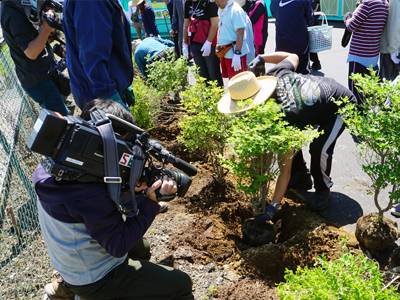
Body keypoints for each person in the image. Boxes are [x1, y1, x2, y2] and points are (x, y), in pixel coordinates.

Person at [39, 99, 193, 300]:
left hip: (72, 259)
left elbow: (99, 199)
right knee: (182, 285)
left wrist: (135, 188)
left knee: (141, 248)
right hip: (94, 278)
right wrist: (151, 201)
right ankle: (85, 294)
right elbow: (118, 245)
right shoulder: (88, 195)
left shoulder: (57, 167)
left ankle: (68, 286)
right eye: (124, 143)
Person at [218, 52, 357, 222]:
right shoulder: (273, 76)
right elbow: (293, 56)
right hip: (317, 101)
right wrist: (262, 57)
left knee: (319, 148)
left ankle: (323, 189)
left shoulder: (285, 117)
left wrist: (273, 206)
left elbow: (284, 169)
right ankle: (301, 177)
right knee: (288, 141)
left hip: (341, 105)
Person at [63, 0, 135, 111]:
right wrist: (109, 96)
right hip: (99, 93)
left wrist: (122, 80)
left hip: (104, 84)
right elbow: (92, 55)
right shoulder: (91, 2)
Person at [0, 0, 69, 116]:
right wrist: (46, 29)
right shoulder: (11, 13)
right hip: (38, 79)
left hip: (44, 71)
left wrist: (48, 14)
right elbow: (31, 52)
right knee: (62, 121)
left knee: (63, 109)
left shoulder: (19, 3)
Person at [344, 0, 389, 107]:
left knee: (355, 95)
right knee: (367, 94)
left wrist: (347, 19)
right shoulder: (385, 4)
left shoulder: (368, 4)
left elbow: (351, 26)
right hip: (372, 56)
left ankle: (355, 120)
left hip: (359, 57)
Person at [182, 0, 223, 87]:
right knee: (202, 75)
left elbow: (214, 23)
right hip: (194, 43)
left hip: (209, 44)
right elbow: (186, 25)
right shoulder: (188, 3)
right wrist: (184, 43)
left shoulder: (210, 2)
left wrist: (208, 42)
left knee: (213, 74)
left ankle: (218, 98)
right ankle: (206, 98)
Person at [270, 0, 314, 75]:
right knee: (303, 76)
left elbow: (274, 13)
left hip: (281, 46)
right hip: (300, 46)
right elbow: (310, 20)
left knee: (283, 76)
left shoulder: (274, 1)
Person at [214, 0, 250, 80]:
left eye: (217, 0)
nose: (216, 2)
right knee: (231, 82)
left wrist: (237, 54)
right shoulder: (222, 8)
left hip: (235, 54)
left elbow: (240, 32)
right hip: (225, 52)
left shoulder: (235, 10)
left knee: (239, 83)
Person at [379, 0, 400, 81]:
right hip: (393, 48)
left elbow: (395, 21)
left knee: (387, 85)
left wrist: (393, 49)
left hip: (392, 49)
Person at [309, 0, 322, 71]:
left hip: (311, 23)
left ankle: (315, 63)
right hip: (313, 22)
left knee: (309, 44)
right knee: (311, 44)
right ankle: (316, 63)